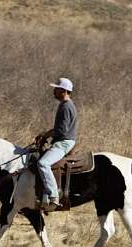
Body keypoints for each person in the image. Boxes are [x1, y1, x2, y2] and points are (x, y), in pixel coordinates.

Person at [35, 77, 77, 211]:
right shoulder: (66, 105)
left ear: (64, 91)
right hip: (63, 141)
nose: (54, 91)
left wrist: (45, 135)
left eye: (57, 89)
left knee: (43, 163)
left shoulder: (65, 107)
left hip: (63, 143)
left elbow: (61, 130)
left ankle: (53, 196)